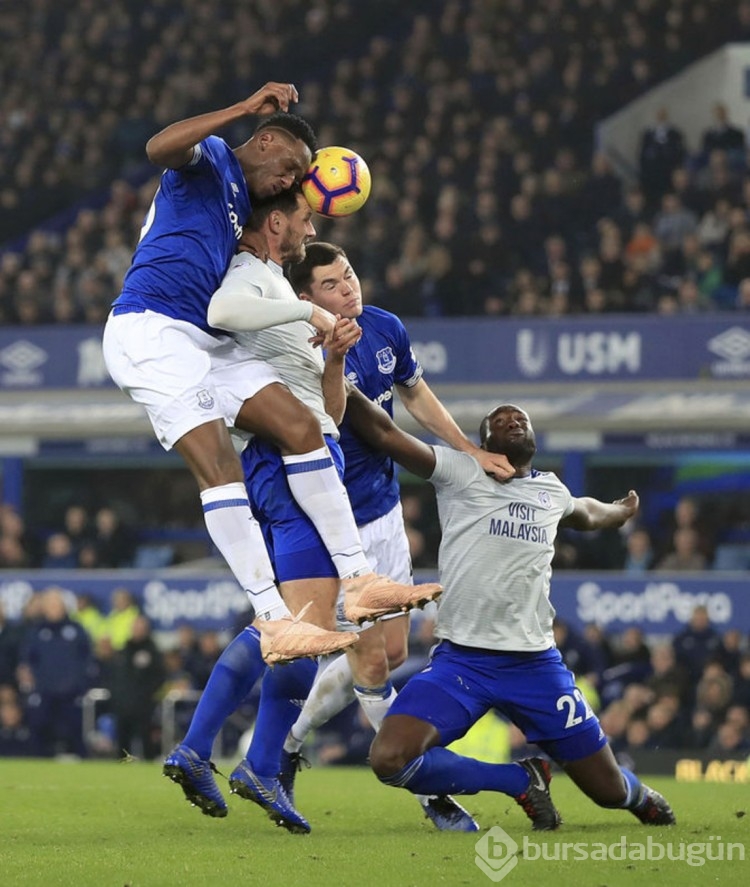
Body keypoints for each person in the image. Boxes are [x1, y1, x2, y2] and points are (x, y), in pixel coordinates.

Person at [102, 83, 426, 663]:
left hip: (209, 340)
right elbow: (157, 148)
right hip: (151, 328)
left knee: (302, 425)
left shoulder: (245, 217)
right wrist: (241, 111)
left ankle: (360, 579)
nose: (289, 181)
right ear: (266, 140)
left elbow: (268, 245)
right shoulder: (212, 160)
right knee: (220, 467)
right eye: (289, 168)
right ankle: (275, 620)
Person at [163, 188, 443, 830]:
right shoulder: (255, 288)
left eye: (347, 274)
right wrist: (307, 320)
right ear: (276, 229)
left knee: (304, 630)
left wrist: (334, 352)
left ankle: (242, 758)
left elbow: (331, 412)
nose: (313, 227)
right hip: (284, 466)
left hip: (308, 462)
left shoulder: (293, 307)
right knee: (296, 627)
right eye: (306, 225)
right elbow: (225, 311)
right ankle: (230, 754)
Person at [343, 397, 676, 830]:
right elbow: (386, 433)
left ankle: (639, 796)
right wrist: (340, 377)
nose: (512, 420)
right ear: (484, 440)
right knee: (388, 758)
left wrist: (621, 512)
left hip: (535, 665)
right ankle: (518, 779)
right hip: (462, 662)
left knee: (607, 791)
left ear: (534, 439)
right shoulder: (458, 470)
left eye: (520, 418)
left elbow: (588, 513)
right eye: (499, 421)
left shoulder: (551, 491)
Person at [278, 242, 515, 831]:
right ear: (306, 299)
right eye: (331, 285)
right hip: (333, 528)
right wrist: (333, 359)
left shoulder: (384, 329)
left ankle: (286, 744)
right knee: (374, 669)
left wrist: (466, 446)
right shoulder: (297, 349)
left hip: (384, 516)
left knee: (392, 654)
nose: (349, 289)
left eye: (350, 275)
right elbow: (335, 423)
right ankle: (428, 792)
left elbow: (413, 392)